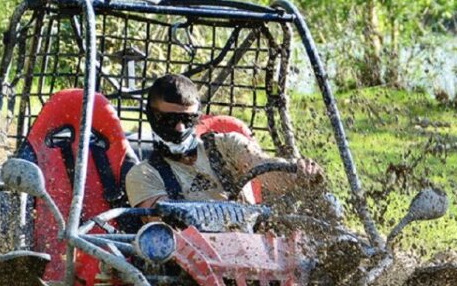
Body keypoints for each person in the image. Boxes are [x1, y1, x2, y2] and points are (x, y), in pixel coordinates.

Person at [125, 73, 324, 208]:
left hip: (252, 247)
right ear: (153, 117)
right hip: (192, 263)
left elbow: (263, 166)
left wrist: (298, 174)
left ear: (197, 117)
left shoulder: (227, 145)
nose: (180, 128)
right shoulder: (143, 175)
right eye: (169, 120)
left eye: (187, 119)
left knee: (327, 203)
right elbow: (164, 232)